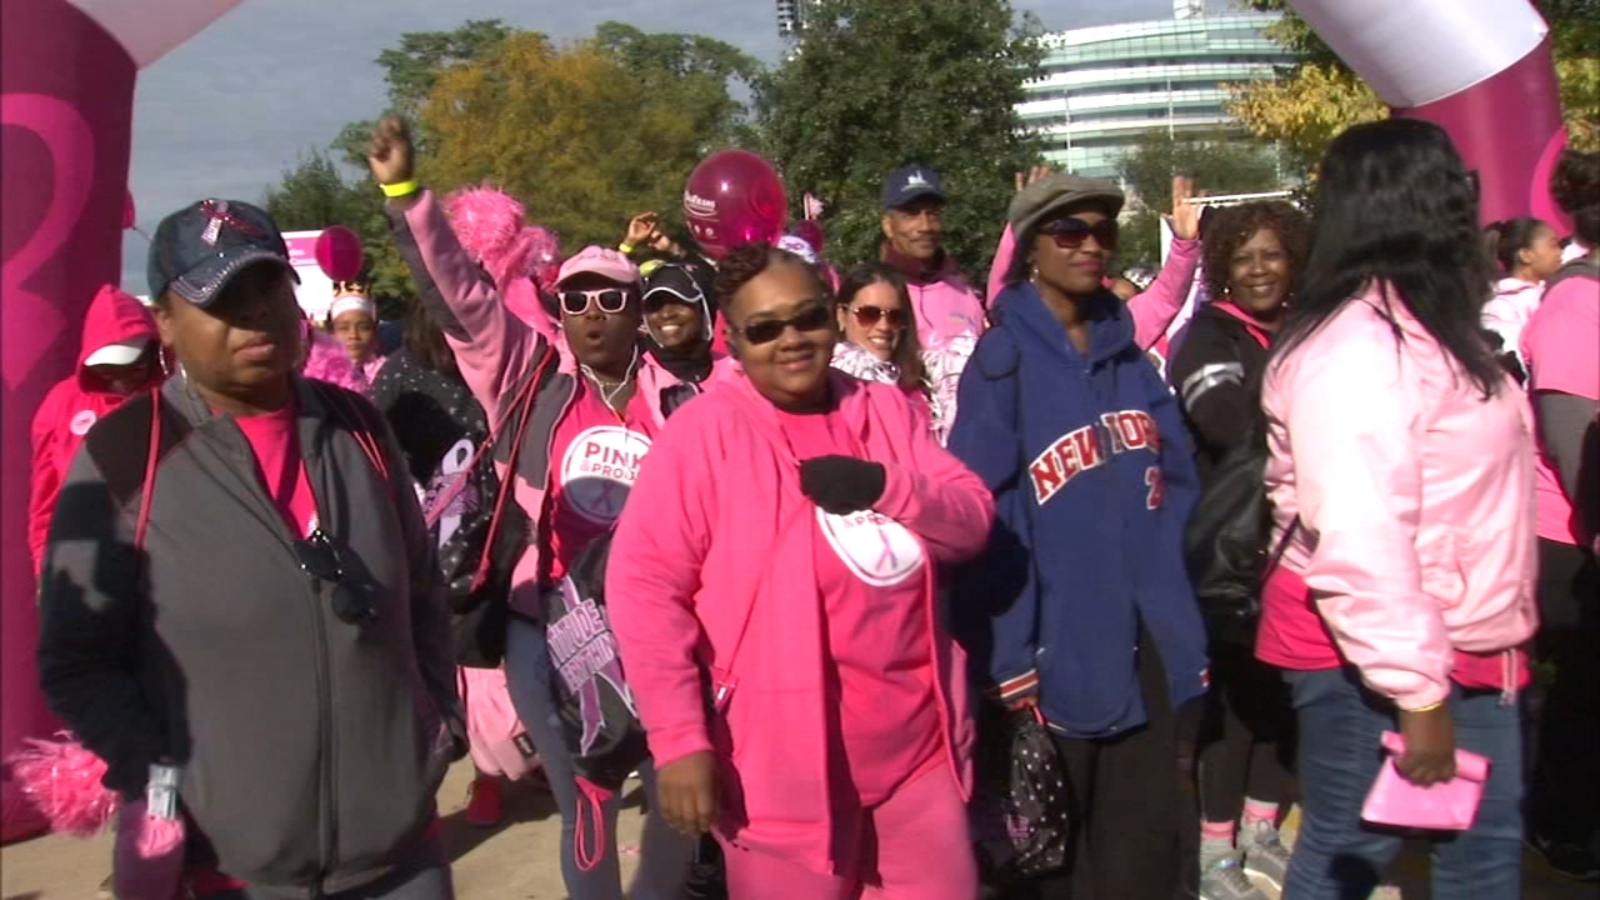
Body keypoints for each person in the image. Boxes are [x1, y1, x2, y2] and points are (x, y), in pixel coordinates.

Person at [37, 198, 464, 899]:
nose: (255, 313)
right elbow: (77, 662)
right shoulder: (123, 456)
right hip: (232, 873)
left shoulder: (360, 427)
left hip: (402, 857)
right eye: (221, 297)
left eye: (268, 286)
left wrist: (437, 727)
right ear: (165, 320)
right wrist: (159, 781)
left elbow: (421, 593)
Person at [604, 242, 994, 899]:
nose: (791, 339)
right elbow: (643, 589)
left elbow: (972, 519)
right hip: (777, 771)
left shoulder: (885, 410)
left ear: (832, 317)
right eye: (765, 328)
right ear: (734, 338)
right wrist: (679, 739)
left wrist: (886, 485)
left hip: (917, 753)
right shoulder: (702, 434)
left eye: (808, 318)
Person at [369, 117, 695, 900]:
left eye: (611, 297)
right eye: (576, 297)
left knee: (677, 800)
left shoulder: (682, 399)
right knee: (587, 797)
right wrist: (407, 194)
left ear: (638, 310)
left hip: (661, 628)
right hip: (545, 626)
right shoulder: (530, 375)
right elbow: (461, 293)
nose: (592, 311)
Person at [1256, 119, 1536, 900]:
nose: (1472, 209)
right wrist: (1418, 694)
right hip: (1377, 656)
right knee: (1350, 855)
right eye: (1455, 191)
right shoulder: (1355, 351)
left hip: (1466, 639)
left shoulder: (1432, 327)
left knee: (1483, 858)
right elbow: (1359, 534)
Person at [948, 173, 1207, 900]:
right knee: (1056, 858)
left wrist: (1177, 606)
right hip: (1056, 647)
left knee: (1145, 855)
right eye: (1069, 232)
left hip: (1149, 637)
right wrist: (1008, 652)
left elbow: (1180, 480)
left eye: (1103, 231)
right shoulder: (1002, 361)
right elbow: (984, 515)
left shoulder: (1129, 357)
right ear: (1031, 248)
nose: (1091, 245)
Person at [1168, 201, 1309, 900]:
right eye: (1244, 257)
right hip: (1231, 558)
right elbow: (1223, 419)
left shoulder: (1309, 329)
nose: (1258, 270)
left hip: (1301, 551)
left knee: (1283, 698)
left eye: (1272, 254)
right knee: (1233, 705)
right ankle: (1215, 850)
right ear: (1223, 266)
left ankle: (1261, 832)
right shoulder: (1207, 336)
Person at [370, 300, 523, 830]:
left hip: (504, 531)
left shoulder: (498, 359)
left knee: (500, 657)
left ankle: (505, 765)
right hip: (433, 541)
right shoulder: (401, 374)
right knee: (445, 667)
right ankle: (459, 782)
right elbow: (381, 458)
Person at [1521, 148, 1600, 881]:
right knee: (1581, 696)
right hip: (1574, 537)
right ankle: (1559, 823)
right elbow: (1574, 439)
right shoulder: (1575, 305)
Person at [28, 284, 163, 577]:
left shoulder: (179, 397)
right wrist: (44, 568)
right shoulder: (61, 403)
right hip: (90, 566)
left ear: (153, 352)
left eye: (134, 367)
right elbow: (46, 500)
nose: (121, 380)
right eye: (108, 371)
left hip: (166, 564)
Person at [878, 164, 987, 345]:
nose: (925, 226)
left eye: (932, 214)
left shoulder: (965, 293)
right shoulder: (874, 292)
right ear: (888, 225)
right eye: (910, 215)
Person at [1481, 216, 1563, 380]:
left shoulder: (1555, 291)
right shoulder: (1500, 307)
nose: (1560, 252)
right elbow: (1512, 364)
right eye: (1553, 245)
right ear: (1526, 255)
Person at [328, 282, 387, 389]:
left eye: (364, 328)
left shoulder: (387, 374)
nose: (354, 335)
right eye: (344, 328)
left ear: (375, 332)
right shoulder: (318, 379)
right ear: (332, 333)